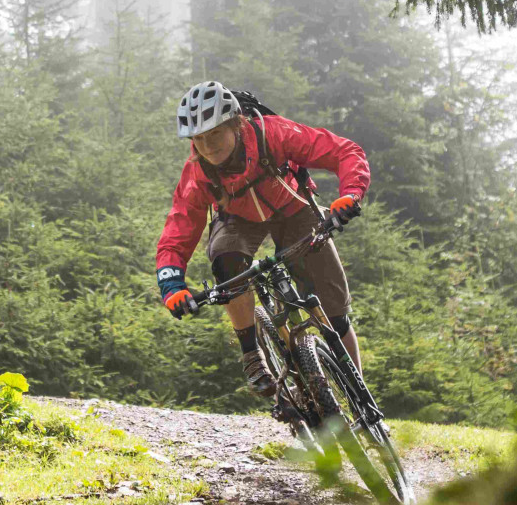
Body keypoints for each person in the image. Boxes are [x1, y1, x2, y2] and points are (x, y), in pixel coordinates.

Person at [155, 81, 369, 398]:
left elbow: (343, 151)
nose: (208, 146)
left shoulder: (273, 134)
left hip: (294, 208)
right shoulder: (199, 172)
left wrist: (349, 195)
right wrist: (172, 285)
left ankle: (360, 395)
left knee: (335, 311)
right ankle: (252, 354)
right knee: (225, 257)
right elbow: (179, 227)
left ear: (236, 124)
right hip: (238, 218)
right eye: (199, 139)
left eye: (215, 133)